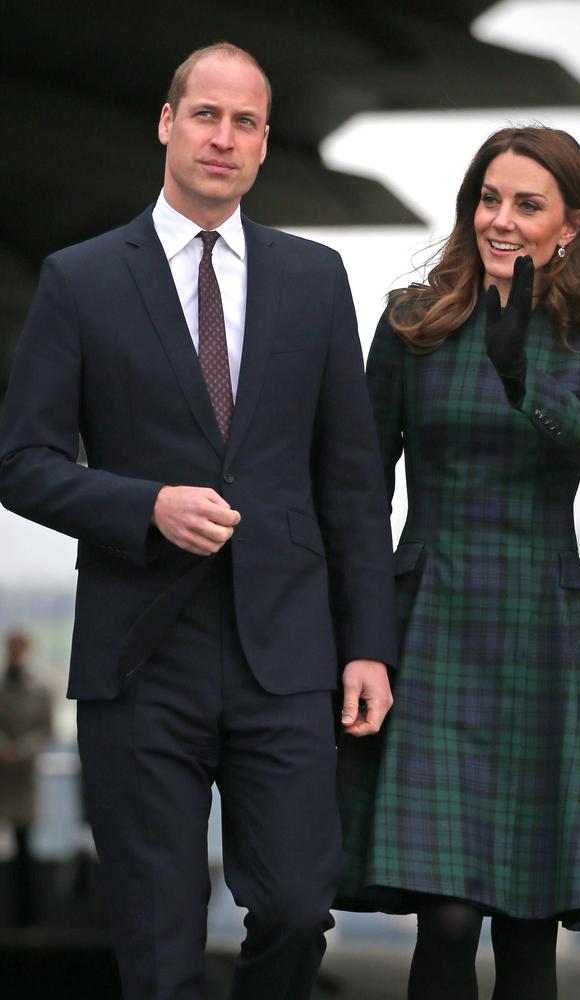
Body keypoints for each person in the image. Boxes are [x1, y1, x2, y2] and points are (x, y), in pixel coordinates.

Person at [0, 42, 397, 1000]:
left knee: (301, 908)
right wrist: (145, 505)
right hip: (141, 662)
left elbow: (351, 483)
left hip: (289, 658)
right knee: (159, 946)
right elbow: (22, 464)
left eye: (247, 122)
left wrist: (368, 646)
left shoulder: (315, 278)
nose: (225, 137)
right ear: (168, 123)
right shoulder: (80, 278)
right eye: (207, 115)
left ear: (264, 146)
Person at [336, 126, 580, 999]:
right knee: (445, 916)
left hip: (539, 636)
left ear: (571, 225)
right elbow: (363, 492)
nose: (499, 219)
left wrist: (524, 377)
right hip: (428, 623)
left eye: (526, 203)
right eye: (488, 197)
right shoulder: (411, 321)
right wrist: (359, 637)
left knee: (526, 924)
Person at [0, 630, 53, 925]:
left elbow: (45, 730)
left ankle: (25, 919)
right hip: (4, 776)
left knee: (24, 849)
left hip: (22, 778)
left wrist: (22, 750)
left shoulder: (39, 690)